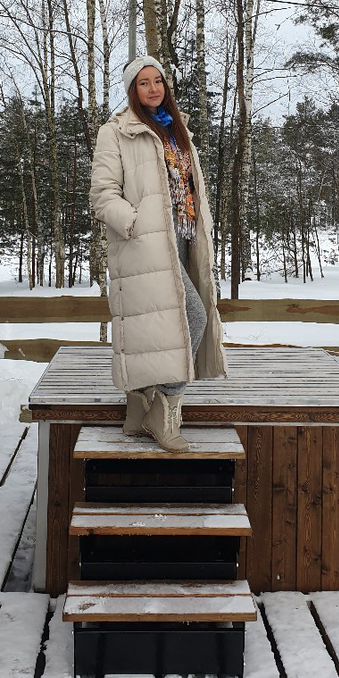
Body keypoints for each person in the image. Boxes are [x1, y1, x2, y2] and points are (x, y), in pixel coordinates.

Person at [89, 55, 227, 451]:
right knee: (192, 318)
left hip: (184, 239)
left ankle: (139, 406)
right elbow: (102, 194)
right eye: (144, 83)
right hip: (146, 242)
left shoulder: (177, 128)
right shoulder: (115, 132)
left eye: (158, 81)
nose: (153, 89)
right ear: (133, 90)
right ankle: (164, 415)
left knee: (158, 331)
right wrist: (134, 224)